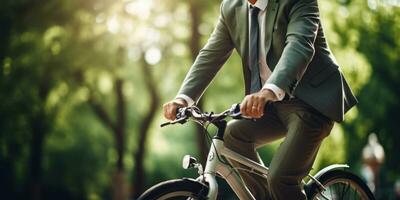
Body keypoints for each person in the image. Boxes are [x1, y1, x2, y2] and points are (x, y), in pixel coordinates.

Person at [163, 0, 357, 199]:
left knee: (280, 178)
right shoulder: (231, 8)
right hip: (271, 106)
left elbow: (299, 46)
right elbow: (210, 54)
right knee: (230, 138)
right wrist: (183, 99)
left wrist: (269, 91)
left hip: (312, 102)